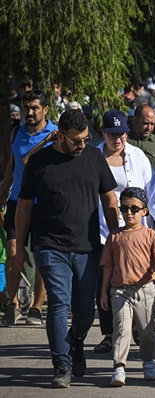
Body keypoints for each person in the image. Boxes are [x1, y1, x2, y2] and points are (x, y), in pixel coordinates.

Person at [14, 109, 119, 387]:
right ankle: (61, 364)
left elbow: (109, 200)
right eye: (76, 141)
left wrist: (115, 237)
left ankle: (75, 342)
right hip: (50, 245)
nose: (82, 145)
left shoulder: (94, 157)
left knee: (85, 309)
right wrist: (22, 246)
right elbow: (24, 205)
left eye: (85, 139)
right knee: (59, 303)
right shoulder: (39, 162)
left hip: (88, 246)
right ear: (59, 135)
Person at [99, 187, 155, 387]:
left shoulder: (150, 235)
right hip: (120, 291)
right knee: (121, 328)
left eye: (134, 209)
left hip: (144, 289)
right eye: (124, 209)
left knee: (147, 329)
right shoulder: (114, 237)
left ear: (144, 211)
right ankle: (119, 367)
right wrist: (104, 291)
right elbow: (108, 266)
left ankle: (148, 361)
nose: (128, 213)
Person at [0, 90, 56, 327]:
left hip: (43, 203)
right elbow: (12, 168)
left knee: (42, 255)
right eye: (26, 108)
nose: (30, 112)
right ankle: (12, 304)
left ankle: (36, 307)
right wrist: (2, 197)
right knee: (13, 251)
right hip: (16, 202)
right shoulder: (17, 132)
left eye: (34, 108)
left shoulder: (55, 134)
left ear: (45, 110)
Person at [127, 104, 155, 172]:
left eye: (152, 124)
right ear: (135, 120)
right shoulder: (123, 140)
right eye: (145, 123)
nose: (149, 128)